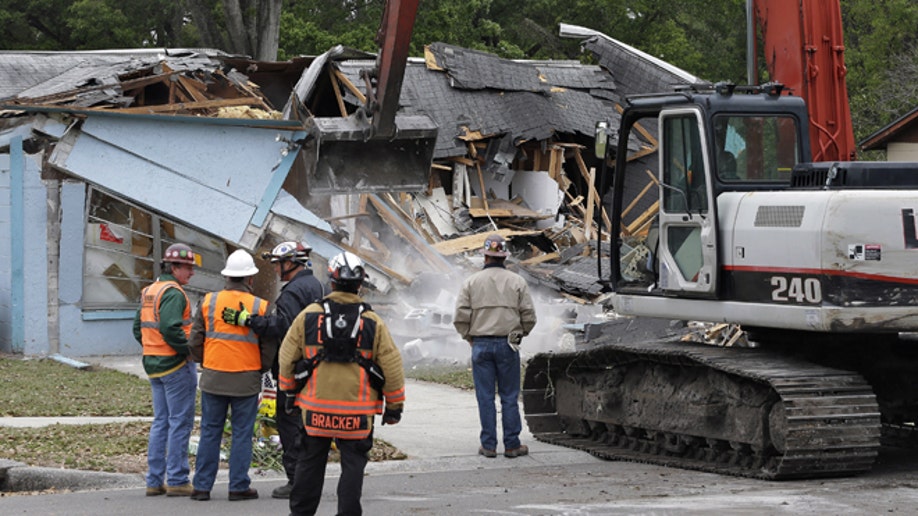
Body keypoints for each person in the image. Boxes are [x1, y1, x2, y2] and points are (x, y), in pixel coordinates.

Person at [278, 251, 405, 516]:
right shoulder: (372, 322)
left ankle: (300, 513)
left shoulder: (309, 316)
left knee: (308, 466)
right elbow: (392, 366)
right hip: (357, 415)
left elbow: (287, 358)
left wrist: (289, 393)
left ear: (331, 282)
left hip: (315, 412)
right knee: (353, 469)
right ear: (360, 284)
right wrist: (394, 406)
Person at [221, 240, 325, 499]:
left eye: (278, 265)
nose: (276, 270)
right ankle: (310, 479)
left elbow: (283, 327)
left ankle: (296, 481)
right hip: (315, 366)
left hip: (294, 369)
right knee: (308, 425)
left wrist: (250, 320)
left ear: (290, 263)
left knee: (289, 423)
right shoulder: (316, 286)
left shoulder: (292, 293)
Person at [187, 250, 272, 502]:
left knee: (210, 432)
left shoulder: (208, 302)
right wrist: (261, 368)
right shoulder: (261, 306)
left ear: (226, 277)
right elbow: (268, 346)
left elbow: (194, 340)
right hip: (246, 379)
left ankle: (202, 487)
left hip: (214, 377)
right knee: (242, 434)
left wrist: (207, 360)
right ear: (250, 279)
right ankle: (238, 487)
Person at [453, 233, 537, 459]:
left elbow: (460, 317)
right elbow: (528, 316)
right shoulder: (517, 282)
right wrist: (520, 335)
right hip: (508, 345)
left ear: (485, 256)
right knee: (509, 397)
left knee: (485, 397)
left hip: (480, 344)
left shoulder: (471, 282)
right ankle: (512, 445)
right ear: (504, 257)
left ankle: (488, 445)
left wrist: (469, 338)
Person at [133, 242, 199, 497]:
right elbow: (171, 328)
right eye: (188, 268)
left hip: (154, 365)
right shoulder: (174, 293)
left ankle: (154, 480)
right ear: (174, 267)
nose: (191, 273)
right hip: (175, 366)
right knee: (179, 423)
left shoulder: (150, 291)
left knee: (161, 422)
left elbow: (138, 328)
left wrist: (152, 347)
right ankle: (178, 479)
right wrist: (188, 351)